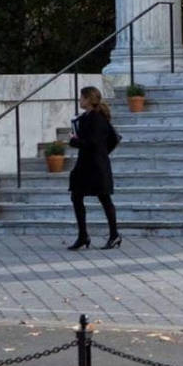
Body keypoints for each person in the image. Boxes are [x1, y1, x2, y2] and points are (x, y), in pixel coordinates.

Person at [67, 85, 122, 250]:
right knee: (77, 196)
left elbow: (95, 142)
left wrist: (74, 141)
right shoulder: (85, 117)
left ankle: (114, 235)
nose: (80, 100)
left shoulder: (97, 119)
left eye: (82, 97)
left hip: (96, 166)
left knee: (104, 198)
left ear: (89, 100)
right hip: (85, 164)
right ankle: (83, 235)